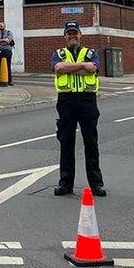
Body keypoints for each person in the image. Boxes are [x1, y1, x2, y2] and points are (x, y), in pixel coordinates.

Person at [51, 21, 106, 197]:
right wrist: (83, 66)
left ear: (80, 35)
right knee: (66, 143)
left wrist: (69, 69)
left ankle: (96, 184)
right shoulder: (58, 53)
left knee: (91, 143)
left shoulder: (91, 53)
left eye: (75, 33)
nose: (72, 36)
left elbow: (93, 70)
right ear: (65, 36)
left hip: (87, 101)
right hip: (66, 101)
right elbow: (58, 68)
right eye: (69, 33)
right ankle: (65, 184)